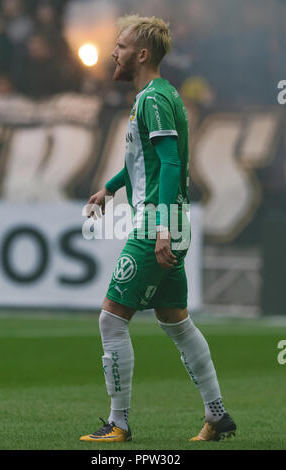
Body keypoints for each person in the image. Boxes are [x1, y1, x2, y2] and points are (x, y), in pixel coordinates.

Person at [80, 14, 236, 443]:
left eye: (121, 46)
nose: (114, 51)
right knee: (176, 321)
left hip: (156, 224)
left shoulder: (151, 99)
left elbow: (169, 164)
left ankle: (119, 423)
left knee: (111, 320)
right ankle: (217, 414)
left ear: (141, 54)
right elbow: (144, 165)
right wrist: (110, 189)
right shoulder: (159, 95)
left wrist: (162, 227)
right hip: (172, 221)